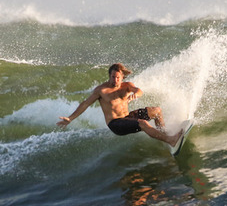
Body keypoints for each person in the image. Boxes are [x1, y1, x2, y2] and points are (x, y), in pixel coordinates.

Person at [56, 63, 184, 148]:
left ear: (122, 77)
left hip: (127, 117)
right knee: (143, 124)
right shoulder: (101, 90)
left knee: (157, 111)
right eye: (112, 77)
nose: (115, 80)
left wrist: (136, 95)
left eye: (118, 78)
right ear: (109, 76)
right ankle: (171, 140)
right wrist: (70, 118)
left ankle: (164, 134)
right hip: (116, 124)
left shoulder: (127, 85)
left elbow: (138, 90)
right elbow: (85, 104)